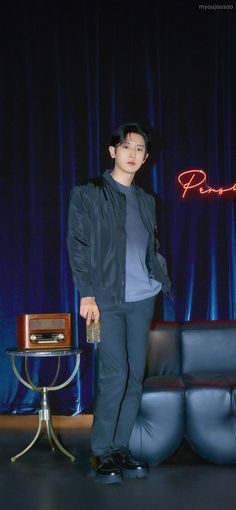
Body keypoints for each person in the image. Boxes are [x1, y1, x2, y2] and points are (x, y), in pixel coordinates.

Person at [67, 122, 171, 484]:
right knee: (115, 374)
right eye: (127, 146)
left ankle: (119, 448)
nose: (133, 153)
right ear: (113, 151)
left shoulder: (146, 200)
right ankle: (100, 452)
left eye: (140, 149)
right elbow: (78, 245)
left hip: (142, 299)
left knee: (135, 378)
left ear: (145, 158)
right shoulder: (88, 192)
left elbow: (150, 247)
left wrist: (158, 277)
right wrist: (87, 294)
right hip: (107, 299)